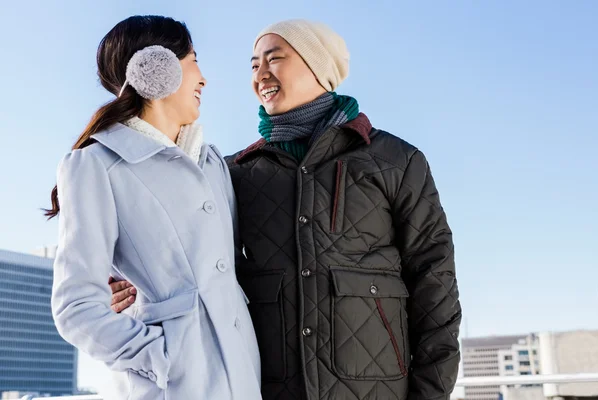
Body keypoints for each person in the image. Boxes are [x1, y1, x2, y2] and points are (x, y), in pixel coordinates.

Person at [113, 19, 462, 400]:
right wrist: (134, 278)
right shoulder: (234, 173)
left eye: (274, 59)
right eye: (253, 65)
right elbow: (195, 259)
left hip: (379, 390)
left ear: (319, 68)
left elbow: (435, 282)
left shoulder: (394, 161)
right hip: (267, 388)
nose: (260, 74)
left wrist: (430, 394)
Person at [46, 15, 261, 400]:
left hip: (243, 379)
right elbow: (76, 307)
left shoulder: (212, 164)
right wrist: (166, 358)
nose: (204, 78)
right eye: (194, 59)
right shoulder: (96, 165)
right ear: (158, 66)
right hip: (177, 388)